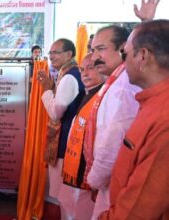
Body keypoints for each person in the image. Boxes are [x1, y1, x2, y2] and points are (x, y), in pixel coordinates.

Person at [84, 1, 159, 218]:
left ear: (124, 50)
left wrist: (94, 180)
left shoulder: (125, 82)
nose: (94, 56)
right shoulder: (115, 80)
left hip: (116, 182)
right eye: (92, 50)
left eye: (101, 49)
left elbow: (113, 138)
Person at [100, 18, 169, 220]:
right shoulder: (153, 102)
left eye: (125, 53)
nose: (123, 60)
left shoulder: (163, 118)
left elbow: (137, 211)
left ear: (143, 56)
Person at [37, 38, 85, 219]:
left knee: (66, 198)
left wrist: (46, 90)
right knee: (68, 197)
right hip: (70, 140)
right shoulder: (69, 73)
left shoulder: (70, 77)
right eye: (50, 53)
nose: (51, 56)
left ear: (69, 54)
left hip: (66, 143)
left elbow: (56, 112)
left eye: (55, 52)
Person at [61, 53, 106, 220]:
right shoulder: (89, 93)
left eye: (90, 68)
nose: (85, 73)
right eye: (81, 69)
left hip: (90, 173)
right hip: (79, 167)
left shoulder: (103, 95)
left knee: (82, 212)